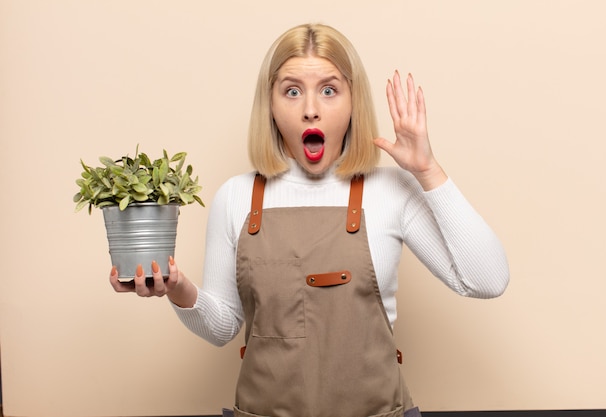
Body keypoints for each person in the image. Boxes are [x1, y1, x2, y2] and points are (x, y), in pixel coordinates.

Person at [110, 23, 509, 417]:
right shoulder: (236, 196)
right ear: (270, 104)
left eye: (329, 90)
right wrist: (177, 288)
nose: (311, 109)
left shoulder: (391, 189)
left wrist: (428, 171)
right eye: (292, 91)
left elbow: (487, 280)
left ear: (354, 103)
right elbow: (221, 329)